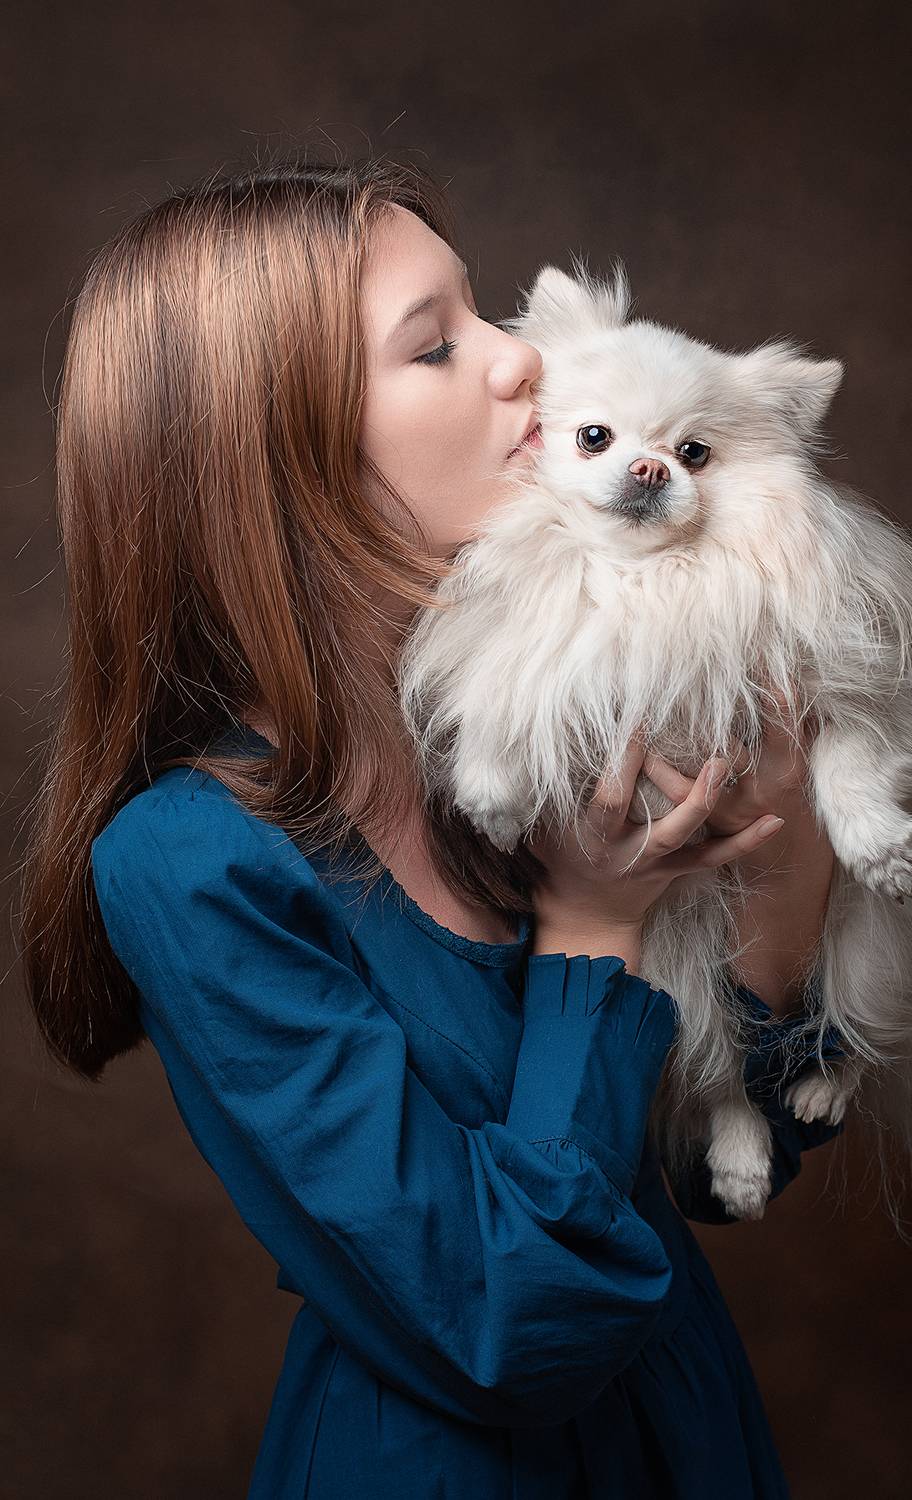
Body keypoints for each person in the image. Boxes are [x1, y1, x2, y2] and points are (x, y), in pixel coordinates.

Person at [20, 156, 846, 1498]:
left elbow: (715, 1177)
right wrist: (593, 926)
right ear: (275, 454)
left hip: (691, 1443)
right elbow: (517, 1325)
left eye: (486, 311)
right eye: (437, 345)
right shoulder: (191, 864)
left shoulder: (538, 734)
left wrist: (789, 861)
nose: (521, 359)